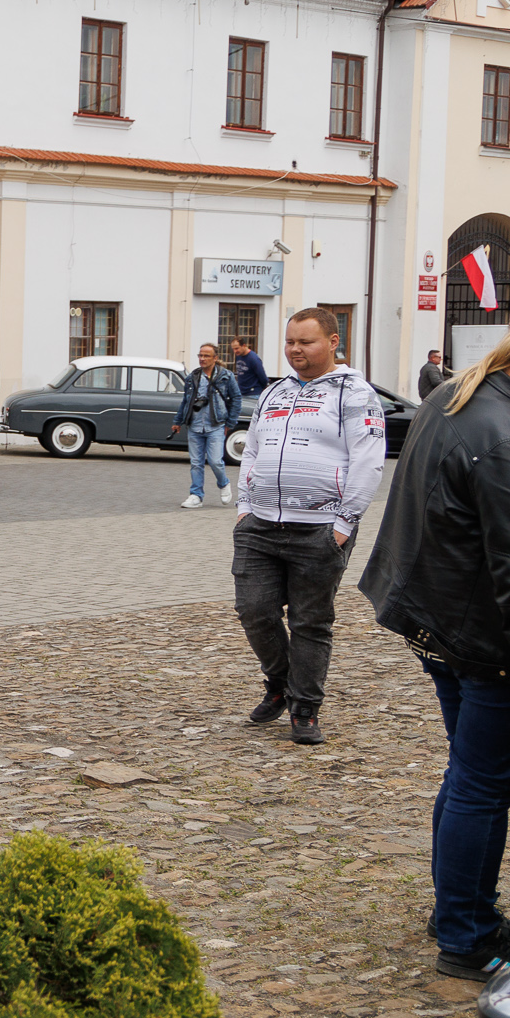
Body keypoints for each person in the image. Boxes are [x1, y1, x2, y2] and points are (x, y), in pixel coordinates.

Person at [360, 310, 510, 979]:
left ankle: (460, 913)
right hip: (493, 644)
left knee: (469, 776)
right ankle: (466, 936)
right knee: (483, 784)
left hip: (441, 622)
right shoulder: (509, 433)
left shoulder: (461, 391)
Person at [233, 308, 387, 746]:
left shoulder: (355, 393)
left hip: (321, 528)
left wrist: (344, 522)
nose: (295, 350)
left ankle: (304, 707)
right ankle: (281, 682)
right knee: (254, 610)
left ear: (333, 342)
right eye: (290, 342)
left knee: (310, 622)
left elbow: (368, 459)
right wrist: (244, 506)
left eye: (306, 342)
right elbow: (252, 450)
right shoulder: (274, 391)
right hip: (260, 525)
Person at [171, 342, 241, 509]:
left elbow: (236, 398)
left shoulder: (226, 376)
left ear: (215, 358)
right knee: (196, 463)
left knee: (215, 461)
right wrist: (178, 421)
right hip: (194, 425)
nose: (202, 359)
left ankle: (224, 483)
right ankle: (196, 495)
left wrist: (230, 422)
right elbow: (186, 400)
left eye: (206, 356)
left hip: (215, 425)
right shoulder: (192, 377)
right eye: (200, 355)